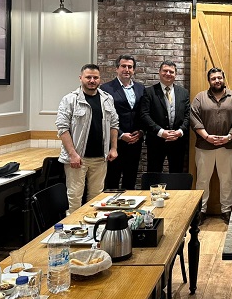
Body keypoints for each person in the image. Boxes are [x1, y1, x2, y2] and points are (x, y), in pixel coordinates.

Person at [55, 64, 119, 212]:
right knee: (75, 198)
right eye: (88, 77)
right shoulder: (70, 100)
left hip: (101, 158)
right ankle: (73, 225)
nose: (92, 80)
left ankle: (92, 226)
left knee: (96, 199)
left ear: (99, 79)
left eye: (95, 77)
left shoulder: (107, 99)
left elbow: (114, 124)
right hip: (78, 159)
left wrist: (114, 148)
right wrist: (72, 154)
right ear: (81, 78)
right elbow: (62, 128)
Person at [191, 67, 232, 225]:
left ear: (223, 78)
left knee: (226, 180)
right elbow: (194, 117)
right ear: (209, 80)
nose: (217, 81)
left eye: (219, 78)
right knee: (202, 180)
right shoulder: (200, 97)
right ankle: (200, 211)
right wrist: (206, 136)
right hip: (204, 146)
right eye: (213, 78)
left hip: (228, 146)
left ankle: (226, 211)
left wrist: (229, 137)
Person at [101, 54, 145, 190]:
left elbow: (143, 113)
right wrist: (121, 135)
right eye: (123, 66)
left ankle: (129, 204)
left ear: (134, 70)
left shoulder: (140, 88)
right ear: (117, 68)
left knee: (131, 179)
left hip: (135, 142)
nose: (127, 69)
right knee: (112, 179)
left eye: (130, 67)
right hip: (115, 142)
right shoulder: (106, 89)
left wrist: (141, 132)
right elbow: (105, 117)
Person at [140, 60, 190, 173]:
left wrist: (180, 131)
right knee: (154, 174)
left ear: (175, 74)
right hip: (155, 141)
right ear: (159, 72)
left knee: (176, 174)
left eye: (171, 72)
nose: (168, 73)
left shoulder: (183, 93)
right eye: (165, 71)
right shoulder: (149, 92)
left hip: (178, 141)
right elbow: (144, 114)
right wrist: (161, 132)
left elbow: (188, 115)